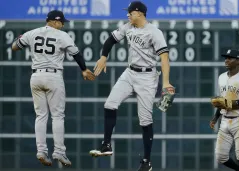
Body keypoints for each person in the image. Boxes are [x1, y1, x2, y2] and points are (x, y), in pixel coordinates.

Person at [89, 1, 174, 171]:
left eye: (130, 12)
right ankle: (106, 144)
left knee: (145, 120)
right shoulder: (128, 26)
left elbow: (164, 58)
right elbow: (110, 40)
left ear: (139, 13)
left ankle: (146, 162)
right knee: (109, 104)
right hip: (130, 73)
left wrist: (165, 82)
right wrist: (103, 56)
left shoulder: (154, 32)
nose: (127, 15)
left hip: (147, 77)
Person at [12, 10, 95, 167]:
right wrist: (84, 69)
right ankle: (59, 151)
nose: (63, 25)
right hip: (53, 76)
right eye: (62, 22)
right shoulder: (61, 36)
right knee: (57, 116)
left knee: (41, 116)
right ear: (55, 22)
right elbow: (76, 54)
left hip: (36, 77)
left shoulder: (32, 33)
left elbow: (15, 46)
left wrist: (20, 39)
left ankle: (41, 151)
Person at [210, 49, 239, 171]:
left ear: (238, 61)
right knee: (220, 156)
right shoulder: (221, 77)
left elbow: (228, 103)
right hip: (225, 120)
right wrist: (215, 117)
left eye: (230, 58)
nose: (226, 60)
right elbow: (222, 101)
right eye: (226, 58)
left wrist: (232, 103)